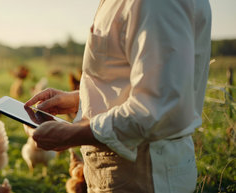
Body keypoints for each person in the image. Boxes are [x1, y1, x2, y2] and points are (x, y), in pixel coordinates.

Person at [25, 0, 212, 192]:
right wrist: (81, 99)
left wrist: (70, 135)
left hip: (142, 175)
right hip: (124, 170)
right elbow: (146, 84)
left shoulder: (156, 4)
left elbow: (156, 110)